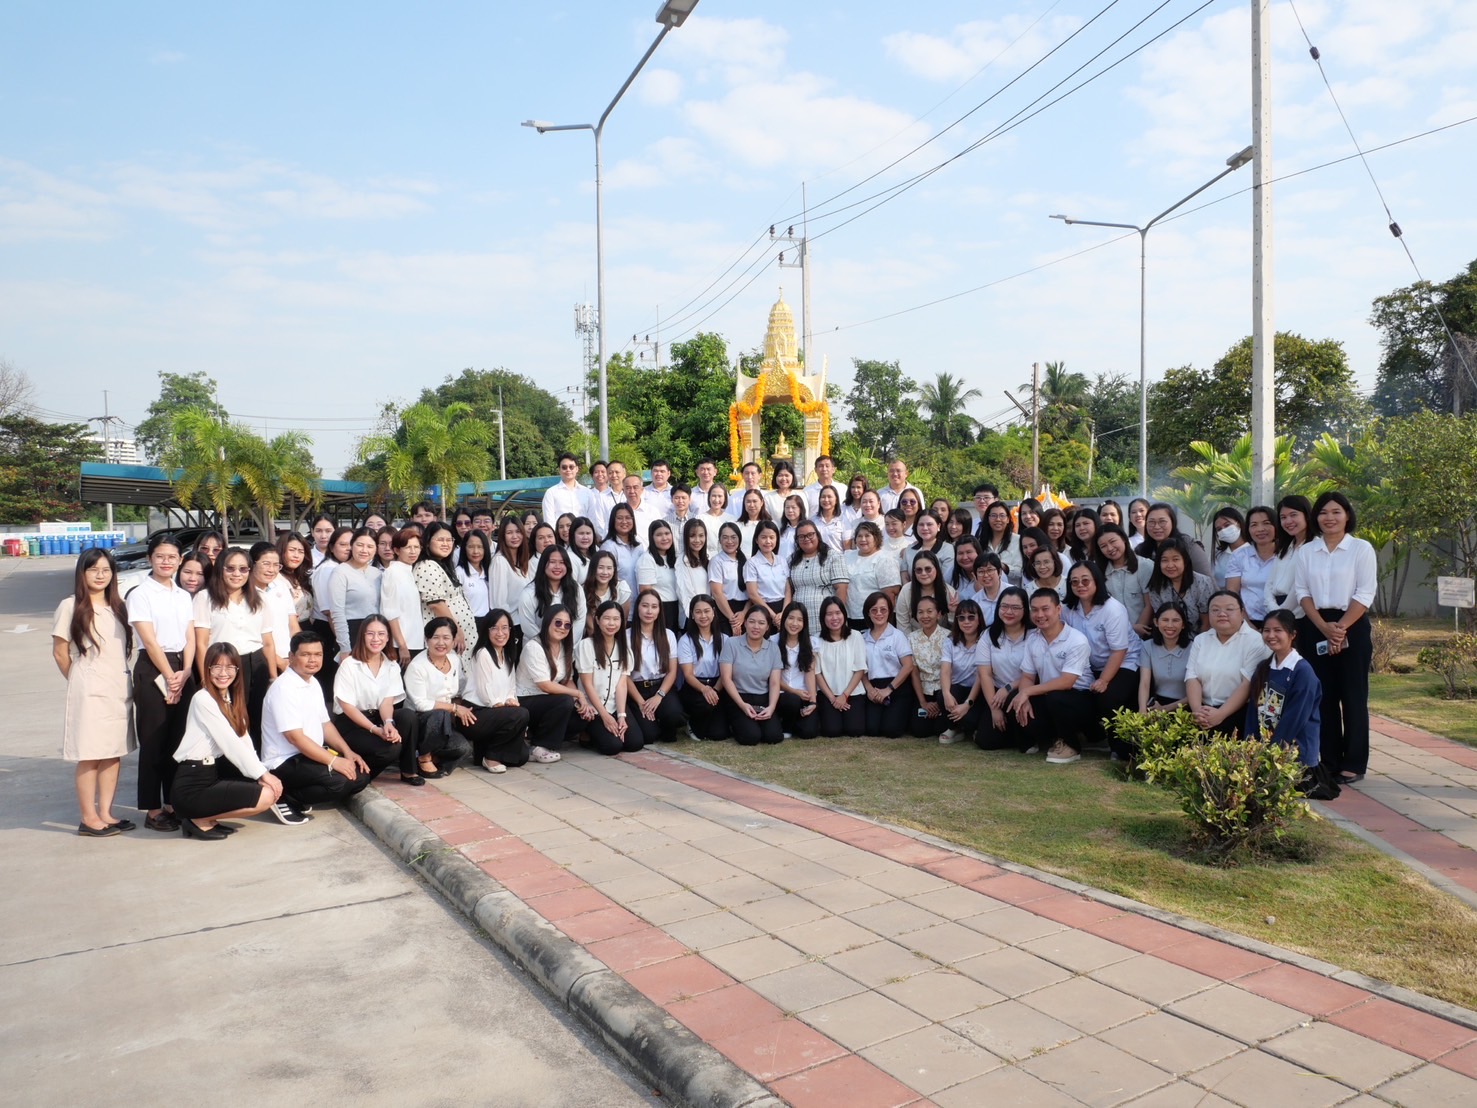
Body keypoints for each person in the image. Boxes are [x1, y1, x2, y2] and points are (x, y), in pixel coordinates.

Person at [1295, 490, 1377, 785]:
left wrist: (1339, 628)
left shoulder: (1361, 549)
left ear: (1347, 516)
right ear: (1316, 518)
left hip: (1352, 623)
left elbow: (1365, 593)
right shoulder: (1306, 552)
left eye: (1336, 512)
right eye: (1323, 513)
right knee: (1323, 696)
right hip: (1315, 624)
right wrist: (1324, 627)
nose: (1329, 518)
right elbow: (1302, 593)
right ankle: (1328, 759)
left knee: (1353, 695)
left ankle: (1354, 762)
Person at [53, 549, 136, 836]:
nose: (100, 575)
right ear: (82, 573)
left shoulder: (119, 607)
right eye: (93, 570)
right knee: (90, 754)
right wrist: (80, 681)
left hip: (118, 688)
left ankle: (106, 813)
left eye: (106, 570)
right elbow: (60, 652)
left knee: (113, 753)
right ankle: (88, 818)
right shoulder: (70, 605)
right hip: (89, 692)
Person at [171, 643, 292, 836]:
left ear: (237, 669)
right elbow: (231, 744)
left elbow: (244, 741)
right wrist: (263, 775)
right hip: (192, 784)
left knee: (266, 791)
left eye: (230, 667)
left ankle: (207, 817)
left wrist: (263, 773)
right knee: (266, 796)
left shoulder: (230, 699)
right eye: (217, 667)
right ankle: (198, 819)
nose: (223, 673)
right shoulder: (203, 699)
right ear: (207, 669)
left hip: (212, 775)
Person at [128, 533, 197, 832]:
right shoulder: (141, 594)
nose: (166, 561)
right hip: (153, 667)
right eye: (160, 556)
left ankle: (172, 802)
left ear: (180, 560)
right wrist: (170, 677)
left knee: (177, 741)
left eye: (172, 557)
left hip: (183, 667)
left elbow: (191, 635)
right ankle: (152, 809)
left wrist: (186, 672)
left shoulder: (183, 595)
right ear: (150, 559)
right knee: (154, 741)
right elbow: (149, 640)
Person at [260, 633, 374, 814]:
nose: (312, 660)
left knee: (361, 776)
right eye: (305, 654)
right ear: (291, 657)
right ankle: (285, 796)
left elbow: (325, 724)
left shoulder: (312, 682)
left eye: (318, 654)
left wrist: (347, 752)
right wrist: (334, 761)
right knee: (340, 781)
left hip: (306, 756)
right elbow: (295, 738)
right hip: (283, 761)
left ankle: (297, 793)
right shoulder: (284, 689)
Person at [1245, 611, 1336, 799]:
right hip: (1264, 751)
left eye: (1278, 630)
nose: (1271, 635)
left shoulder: (1302, 672)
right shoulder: (1263, 667)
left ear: (1292, 634)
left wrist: (1272, 753)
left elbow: (1295, 719)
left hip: (1292, 753)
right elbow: (1253, 711)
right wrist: (1249, 746)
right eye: (1266, 630)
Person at [194, 547, 277, 744]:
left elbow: (268, 642)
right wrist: (206, 679)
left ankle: (257, 766)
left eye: (243, 569)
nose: (237, 574)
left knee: (256, 717)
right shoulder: (205, 598)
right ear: (220, 569)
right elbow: (201, 643)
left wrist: (273, 677)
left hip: (256, 663)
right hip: (223, 666)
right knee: (228, 718)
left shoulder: (259, 598)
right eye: (230, 568)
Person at [332, 615, 425, 785]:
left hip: (377, 718)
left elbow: (386, 702)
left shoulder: (391, 665)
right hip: (352, 723)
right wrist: (375, 729)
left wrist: (388, 723)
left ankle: (408, 771)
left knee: (407, 716)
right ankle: (361, 776)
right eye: (370, 634)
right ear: (362, 636)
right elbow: (347, 707)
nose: (376, 639)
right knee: (390, 750)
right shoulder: (349, 665)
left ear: (388, 637)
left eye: (381, 634)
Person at [1063, 560, 1141, 760]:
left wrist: (1104, 680)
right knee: (1072, 696)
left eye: (1085, 580)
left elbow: (1119, 650)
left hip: (1125, 661)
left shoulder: (1112, 609)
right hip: (1091, 664)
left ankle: (1122, 749)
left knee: (1108, 697)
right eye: (1074, 582)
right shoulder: (1069, 609)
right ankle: (1094, 737)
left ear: (1097, 581)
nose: (1080, 585)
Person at [1013, 588, 1096, 765]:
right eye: (1034, 610)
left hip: (1079, 698)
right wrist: (1024, 697)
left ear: (1058, 610)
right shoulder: (1033, 639)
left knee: (1056, 698)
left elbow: (1067, 682)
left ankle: (1072, 746)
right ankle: (1054, 738)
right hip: (1049, 696)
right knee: (1019, 703)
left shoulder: (1076, 639)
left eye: (1045, 609)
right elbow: (1027, 676)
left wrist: (1028, 692)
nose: (1039, 614)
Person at [1184, 589, 1270, 737]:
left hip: (1237, 713)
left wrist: (1220, 714)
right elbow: (1192, 677)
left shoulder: (1255, 641)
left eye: (1229, 609)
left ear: (1242, 612)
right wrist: (1198, 711)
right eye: (1215, 610)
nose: (1222, 614)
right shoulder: (1201, 640)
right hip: (1202, 713)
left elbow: (1247, 683)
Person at [515, 605, 594, 758]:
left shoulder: (564, 647)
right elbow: (545, 685)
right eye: (558, 622)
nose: (562, 628)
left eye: (567, 625)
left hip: (549, 702)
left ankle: (535, 735)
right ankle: (541, 746)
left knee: (583, 717)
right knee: (564, 701)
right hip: (526, 700)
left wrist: (581, 702)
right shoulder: (534, 647)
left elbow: (567, 680)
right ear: (548, 622)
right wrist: (577, 693)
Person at [461, 611, 536, 772]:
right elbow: (485, 691)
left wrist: (510, 700)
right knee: (521, 714)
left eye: (504, 628)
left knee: (521, 757)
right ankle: (491, 757)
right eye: (494, 628)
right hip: (475, 713)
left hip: (497, 711)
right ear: (486, 631)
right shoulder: (483, 653)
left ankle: (483, 752)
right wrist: (501, 706)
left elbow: (511, 687)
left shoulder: (507, 655)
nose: (500, 633)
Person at [402, 617, 477, 775]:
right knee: (439, 715)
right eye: (435, 638)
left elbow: (461, 689)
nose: (441, 643)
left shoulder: (454, 659)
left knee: (463, 749)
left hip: (444, 721)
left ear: (453, 640)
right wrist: (454, 708)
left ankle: (432, 758)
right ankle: (424, 757)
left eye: (446, 638)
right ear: (426, 640)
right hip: (420, 721)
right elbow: (421, 704)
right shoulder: (417, 666)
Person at [975, 586, 1034, 752]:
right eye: (1004, 606)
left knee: (1013, 699)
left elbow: (1035, 673)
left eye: (1015, 608)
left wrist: (1008, 688)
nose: (1009, 611)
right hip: (996, 693)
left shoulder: (1034, 634)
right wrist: (994, 709)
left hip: (1024, 690)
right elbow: (984, 674)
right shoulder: (988, 635)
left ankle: (1028, 737)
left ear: (1025, 610)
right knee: (986, 742)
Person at [577, 601, 640, 755]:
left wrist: (621, 716)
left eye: (616, 619)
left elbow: (622, 685)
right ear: (597, 620)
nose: (611, 623)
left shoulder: (624, 649)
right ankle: (586, 734)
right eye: (606, 618)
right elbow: (587, 684)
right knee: (612, 747)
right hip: (593, 708)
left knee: (634, 743)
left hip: (614, 705)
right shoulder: (586, 645)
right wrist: (604, 716)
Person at [626, 589, 686, 745]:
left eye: (654, 606)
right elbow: (624, 676)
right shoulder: (626, 636)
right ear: (637, 607)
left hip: (662, 687)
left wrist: (659, 696)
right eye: (645, 606)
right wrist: (641, 702)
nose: (649, 611)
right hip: (637, 690)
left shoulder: (668, 635)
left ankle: (663, 718)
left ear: (659, 610)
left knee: (674, 716)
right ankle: (651, 722)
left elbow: (672, 671)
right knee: (649, 736)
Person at [720, 607, 784, 745]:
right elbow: (726, 679)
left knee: (774, 737)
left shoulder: (773, 648)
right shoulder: (731, 643)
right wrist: (743, 705)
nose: (756, 627)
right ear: (745, 623)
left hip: (763, 699)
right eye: (752, 621)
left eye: (761, 623)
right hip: (738, 697)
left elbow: (774, 683)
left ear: (767, 627)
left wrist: (771, 707)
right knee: (751, 737)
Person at [415, 521, 478, 656]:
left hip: (457, 635)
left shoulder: (442, 564)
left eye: (449, 540)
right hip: (447, 636)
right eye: (440, 540)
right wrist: (456, 631)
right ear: (427, 542)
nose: (446, 544)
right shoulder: (427, 566)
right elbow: (436, 604)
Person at [860, 592, 915, 737]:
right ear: (868, 613)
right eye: (874, 610)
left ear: (890, 611)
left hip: (896, 687)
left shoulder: (898, 636)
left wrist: (888, 689)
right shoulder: (862, 638)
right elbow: (860, 668)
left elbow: (908, 666)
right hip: (874, 688)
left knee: (891, 731)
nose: (879, 613)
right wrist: (869, 689)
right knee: (872, 730)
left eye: (883, 609)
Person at [935, 599, 986, 744]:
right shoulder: (950, 641)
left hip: (979, 691)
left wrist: (968, 704)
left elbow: (982, 676)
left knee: (970, 720)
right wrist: (946, 694)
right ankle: (954, 729)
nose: (966, 622)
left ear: (979, 619)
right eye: (961, 618)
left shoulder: (985, 641)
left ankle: (969, 726)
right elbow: (945, 671)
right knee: (942, 695)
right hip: (958, 688)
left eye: (971, 617)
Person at [676, 595, 727, 740]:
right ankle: (691, 723)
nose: (703, 616)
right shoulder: (685, 641)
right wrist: (705, 689)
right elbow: (688, 675)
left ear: (713, 612)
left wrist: (715, 690)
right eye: (698, 612)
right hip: (695, 687)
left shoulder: (725, 639)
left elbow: (726, 673)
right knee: (704, 705)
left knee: (719, 734)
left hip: (718, 685)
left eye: (706, 611)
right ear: (692, 614)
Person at [815, 596, 866, 736]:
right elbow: (817, 673)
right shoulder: (816, 640)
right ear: (823, 617)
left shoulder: (855, 636)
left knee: (855, 730)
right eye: (829, 614)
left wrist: (844, 695)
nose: (834, 618)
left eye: (838, 613)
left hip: (851, 693)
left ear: (844, 614)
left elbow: (860, 669)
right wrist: (833, 698)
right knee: (832, 731)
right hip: (828, 694)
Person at [329, 528, 383, 662]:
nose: (364, 550)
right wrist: (345, 647)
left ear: (375, 549)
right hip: (352, 634)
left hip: (376, 636)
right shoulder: (340, 572)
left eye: (370, 546)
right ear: (351, 545)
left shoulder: (377, 573)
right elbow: (337, 612)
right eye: (360, 545)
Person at [519, 545, 587, 645]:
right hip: (538, 649)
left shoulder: (576, 589)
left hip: (568, 649)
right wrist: (551, 646)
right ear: (543, 564)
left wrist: (565, 645)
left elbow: (580, 619)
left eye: (562, 562)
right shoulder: (529, 592)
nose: (557, 566)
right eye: (552, 562)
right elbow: (528, 626)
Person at [789, 520, 849, 631]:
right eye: (801, 536)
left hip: (826, 617)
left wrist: (836, 616)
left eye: (810, 534)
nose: (806, 539)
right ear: (797, 540)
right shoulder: (792, 560)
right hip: (799, 619)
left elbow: (841, 588)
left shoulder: (833, 556)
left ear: (818, 535)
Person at [1093, 524, 1153, 637]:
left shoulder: (1145, 565)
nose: (1110, 548)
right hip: (1112, 635)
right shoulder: (1097, 571)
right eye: (1103, 546)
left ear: (1124, 539)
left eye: (1113, 541)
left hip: (1142, 634)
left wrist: (1136, 631)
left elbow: (1149, 605)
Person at [1147, 536, 1215, 632]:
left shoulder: (1203, 583)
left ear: (1185, 561)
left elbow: (1206, 622)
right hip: (1169, 636)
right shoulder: (1156, 587)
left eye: (1175, 559)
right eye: (1165, 560)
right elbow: (1162, 622)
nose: (1170, 565)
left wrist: (1198, 644)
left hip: (1199, 637)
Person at [907, 595, 951, 740]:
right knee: (920, 730)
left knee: (940, 728)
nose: (925, 616)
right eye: (920, 612)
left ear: (938, 614)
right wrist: (923, 702)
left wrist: (940, 702)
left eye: (929, 611)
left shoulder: (949, 637)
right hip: (923, 690)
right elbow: (914, 672)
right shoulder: (911, 638)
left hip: (944, 691)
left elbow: (953, 671)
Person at [252, 542, 297, 681]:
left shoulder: (281, 587)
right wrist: (279, 662)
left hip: (289, 659)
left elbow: (293, 625)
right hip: (261, 662)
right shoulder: (245, 593)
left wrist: (299, 654)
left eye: (276, 565)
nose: (271, 569)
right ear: (252, 563)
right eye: (266, 564)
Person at [1226, 505, 1278, 626]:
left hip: (1281, 621)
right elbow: (1232, 592)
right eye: (1254, 525)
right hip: (1246, 621)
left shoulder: (1287, 555)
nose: (1260, 529)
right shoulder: (1239, 556)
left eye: (1266, 523)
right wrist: (1247, 624)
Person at [1264, 494, 1314, 618]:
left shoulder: (1314, 547)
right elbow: (1270, 583)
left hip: (1300, 613)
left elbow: (1300, 587)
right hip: (1276, 609)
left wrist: (1281, 613)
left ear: (1306, 515)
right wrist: (1273, 608)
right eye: (1283, 517)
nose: (1288, 521)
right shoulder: (1285, 548)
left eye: (1293, 515)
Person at [775, 601, 820, 739]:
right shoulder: (773, 642)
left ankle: (793, 722)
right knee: (791, 699)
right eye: (791, 618)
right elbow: (773, 678)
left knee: (809, 732)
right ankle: (785, 726)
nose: (795, 624)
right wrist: (794, 692)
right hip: (781, 695)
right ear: (784, 620)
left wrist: (812, 702)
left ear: (805, 623)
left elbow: (810, 673)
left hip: (804, 695)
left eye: (800, 620)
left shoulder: (811, 642)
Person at [1138, 600, 1192, 713]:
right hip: (1157, 703)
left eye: (1176, 620)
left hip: (1186, 706)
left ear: (1183, 625)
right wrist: (1142, 711)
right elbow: (1144, 683)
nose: (1170, 625)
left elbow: (1197, 692)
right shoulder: (1148, 646)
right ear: (1156, 622)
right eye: (1165, 620)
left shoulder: (1194, 648)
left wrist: (1165, 709)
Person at [844, 521, 899, 629]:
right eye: (859, 536)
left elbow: (890, 594)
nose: (863, 539)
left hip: (875, 619)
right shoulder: (847, 556)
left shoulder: (885, 559)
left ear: (876, 538)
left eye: (867, 535)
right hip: (850, 617)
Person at [381, 529, 424, 667]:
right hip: (402, 644)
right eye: (408, 547)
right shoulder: (392, 572)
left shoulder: (410, 571)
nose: (413, 551)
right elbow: (390, 612)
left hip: (416, 640)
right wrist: (402, 645)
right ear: (397, 550)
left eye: (416, 547)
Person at [1136, 502, 1214, 577]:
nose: (1156, 527)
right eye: (1151, 522)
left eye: (1162, 521)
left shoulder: (1188, 545)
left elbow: (1208, 581)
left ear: (1172, 522)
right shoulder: (1140, 551)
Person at [895, 551, 955, 635]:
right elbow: (903, 624)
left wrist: (953, 612)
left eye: (928, 569)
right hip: (912, 641)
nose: (923, 573)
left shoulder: (948, 591)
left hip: (943, 641)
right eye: (919, 570)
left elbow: (953, 626)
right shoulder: (906, 591)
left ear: (936, 569)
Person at [637, 519, 681, 631]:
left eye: (667, 533)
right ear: (652, 538)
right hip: (660, 610)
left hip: (675, 609)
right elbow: (645, 590)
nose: (664, 538)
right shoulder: (647, 559)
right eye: (659, 535)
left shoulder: (673, 558)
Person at [743, 520, 790, 618]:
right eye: (763, 537)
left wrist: (783, 614)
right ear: (756, 540)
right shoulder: (752, 563)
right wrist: (773, 616)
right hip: (763, 611)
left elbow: (788, 590)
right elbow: (753, 594)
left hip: (783, 610)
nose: (768, 541)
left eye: (772, 537)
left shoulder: (782, 560)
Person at [708, 521, 748, 634]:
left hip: (745, 612)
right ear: (720, 540)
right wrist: (733, 620)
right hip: (725, 612)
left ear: (739, 539)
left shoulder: (746, 561)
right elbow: (717, 593)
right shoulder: (716, 561)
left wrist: (744, 613)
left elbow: (752, 592)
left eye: (733, 537)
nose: (729, 541)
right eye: (725, 538)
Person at [602, 501, 644, 602]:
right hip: (619, 604)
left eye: (628, 518)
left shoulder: (638, 545)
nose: (624, 521)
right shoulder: (609, 547)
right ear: (613, 521)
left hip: (639, 604)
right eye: (619, 518)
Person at [582, 549, 630, 637]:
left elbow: (623, 620)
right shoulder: (583, 590)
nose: (605, 572)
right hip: (591, 638)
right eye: (600, 567)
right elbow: (590, 626)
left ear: (614, 570)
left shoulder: (622, 588)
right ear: (593, 568)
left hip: (614, 638)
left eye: (609, 568)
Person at [490, 515, 532, 612]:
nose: (515, 536)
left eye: (518, 532)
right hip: (511, 622)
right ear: (502, 536)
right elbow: (499, 603)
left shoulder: (523, 560)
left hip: (524, 620)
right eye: (509, 533)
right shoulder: (499, 561)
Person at [456, 529, 493, 633]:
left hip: (488, 624)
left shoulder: (490, 571)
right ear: (464, 549)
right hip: (468, 626)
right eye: (471, 547)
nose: (476, 551)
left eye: (480, 547)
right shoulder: (459, 573)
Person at [676, 518, 710, 630]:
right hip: (692, 619)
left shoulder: (707, 559)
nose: (697, 540)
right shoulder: (682, 561)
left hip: (707, 617)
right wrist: (695, 616)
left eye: (701, 536)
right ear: (686, 537)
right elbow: (684, 593)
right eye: (692, 536)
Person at [903, 511, 954, 583]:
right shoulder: (909, 549)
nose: (925, 528)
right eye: (921, 524)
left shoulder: (947, 549)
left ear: (938, 526)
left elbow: (946, 579)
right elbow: (904, 573)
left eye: (929, 524)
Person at [977, 501, 1021, 580]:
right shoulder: (980, 541)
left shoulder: (1018, 540)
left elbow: (1021, 572)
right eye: (993, 516)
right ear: (988, 519)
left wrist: (1004, 567)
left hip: (1011, 590)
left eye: (1002, 516)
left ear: (1008, 519)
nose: (998, 519)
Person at [542, 453, 589, 524]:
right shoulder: (551, 493)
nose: (568, 470)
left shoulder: (587, 493)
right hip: (560, 534)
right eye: (564, 467)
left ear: (577, 469)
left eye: (571, 467)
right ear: (559, 470)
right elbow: (549, 521)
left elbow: (592, 519)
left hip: (583, 534)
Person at [1210, 507, 1248, 589]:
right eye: (1219, 529)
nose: (1223, 530)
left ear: (1238, 523)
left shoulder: (1253, 550)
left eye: (1227, 525)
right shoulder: (1218, 554)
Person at [971, 553, 1008, 626]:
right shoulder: (975, 601)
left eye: (990, 570)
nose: (986, 575)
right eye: (981, 572)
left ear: (1000, 572)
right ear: (975, 576)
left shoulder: (1013, 593)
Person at [811, 484, 848, 552]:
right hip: (818, 560)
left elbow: (847, 549)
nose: (826, 500)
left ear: (836, 500)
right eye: (823, 497)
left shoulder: (844, 520)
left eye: (829, 497)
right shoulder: (813, 520)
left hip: (837, 561)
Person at [698, 483, 730, 558]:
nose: (716, 500)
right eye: (713, 496)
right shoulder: (701, 518)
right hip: (706, 558)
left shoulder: (731, 519)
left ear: (725, 498)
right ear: (709, 497)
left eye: (720, 496)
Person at [735, 488, 771, 553]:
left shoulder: (770, 524)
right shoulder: (737, 525)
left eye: (755, 501)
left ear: (761, 502)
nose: (752, 505)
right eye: (748, 502)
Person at [776, 493, 809, 563]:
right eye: (787, 507)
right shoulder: (781, 530)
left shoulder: (806, 529)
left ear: (800, 509)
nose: (790, 510)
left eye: (793, 507)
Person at [566, 516, 599, 585]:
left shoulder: (597, 551)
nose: (585, 537)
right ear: (572, 535)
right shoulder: (569, 557)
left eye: (588, 533)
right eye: (581, 533)